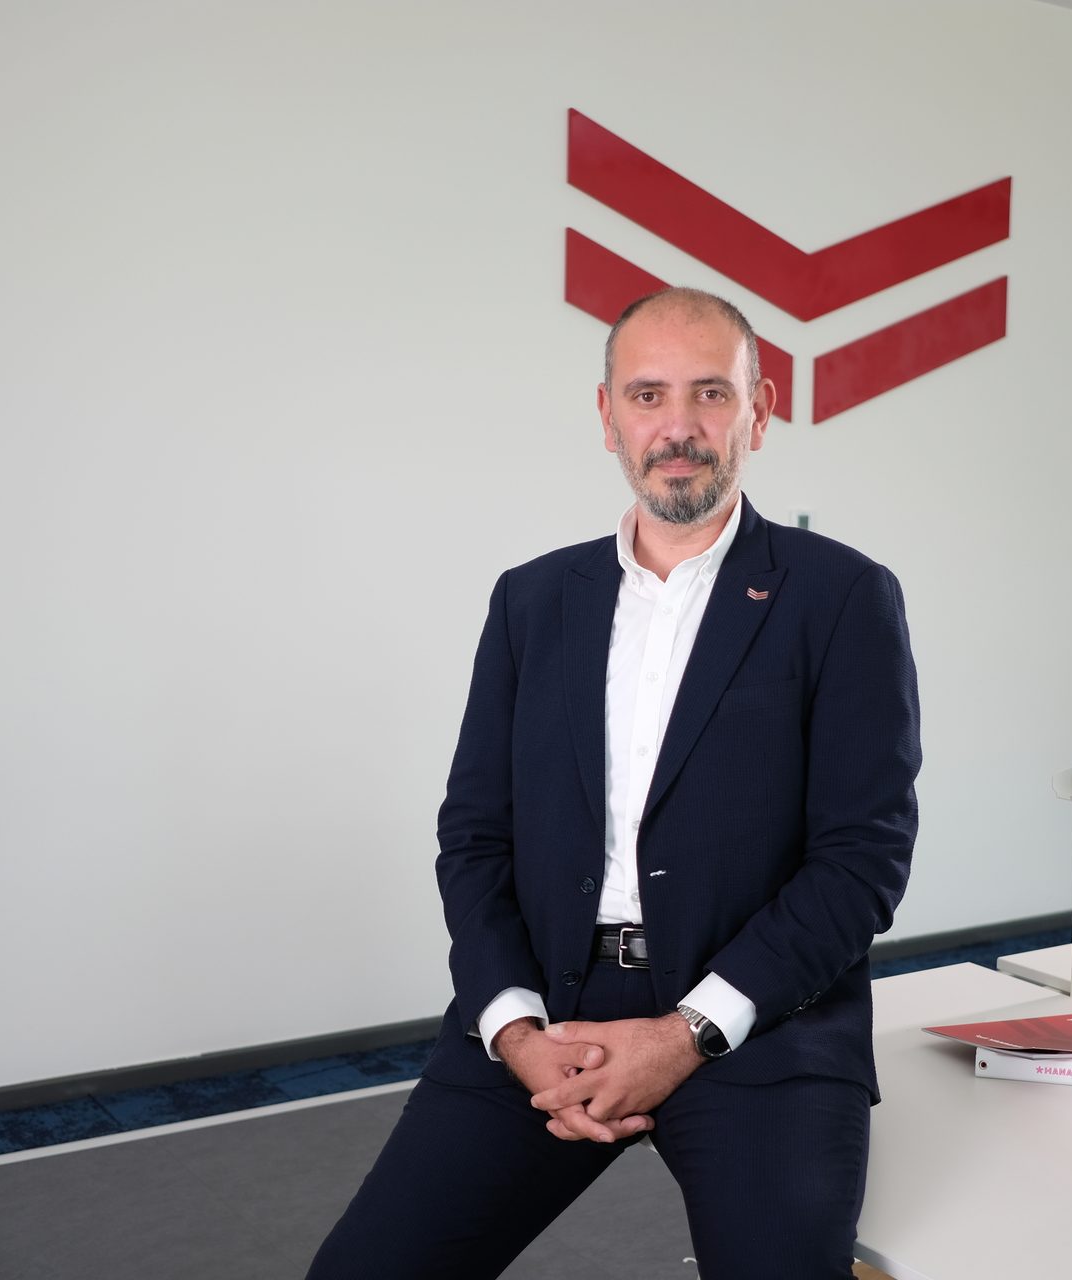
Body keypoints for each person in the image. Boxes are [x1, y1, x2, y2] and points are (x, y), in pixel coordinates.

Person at [305, 287, 921, 1279]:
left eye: (710, 393)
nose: (679, 426)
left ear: (760, 410)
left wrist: (688, 1031)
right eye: (647, 394)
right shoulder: (533, 600)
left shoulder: (841, 595)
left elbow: (862, 861)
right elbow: (474, 833)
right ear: (608, 417)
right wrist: (512, 1026)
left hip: (758, 1017)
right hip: (548, 1007)